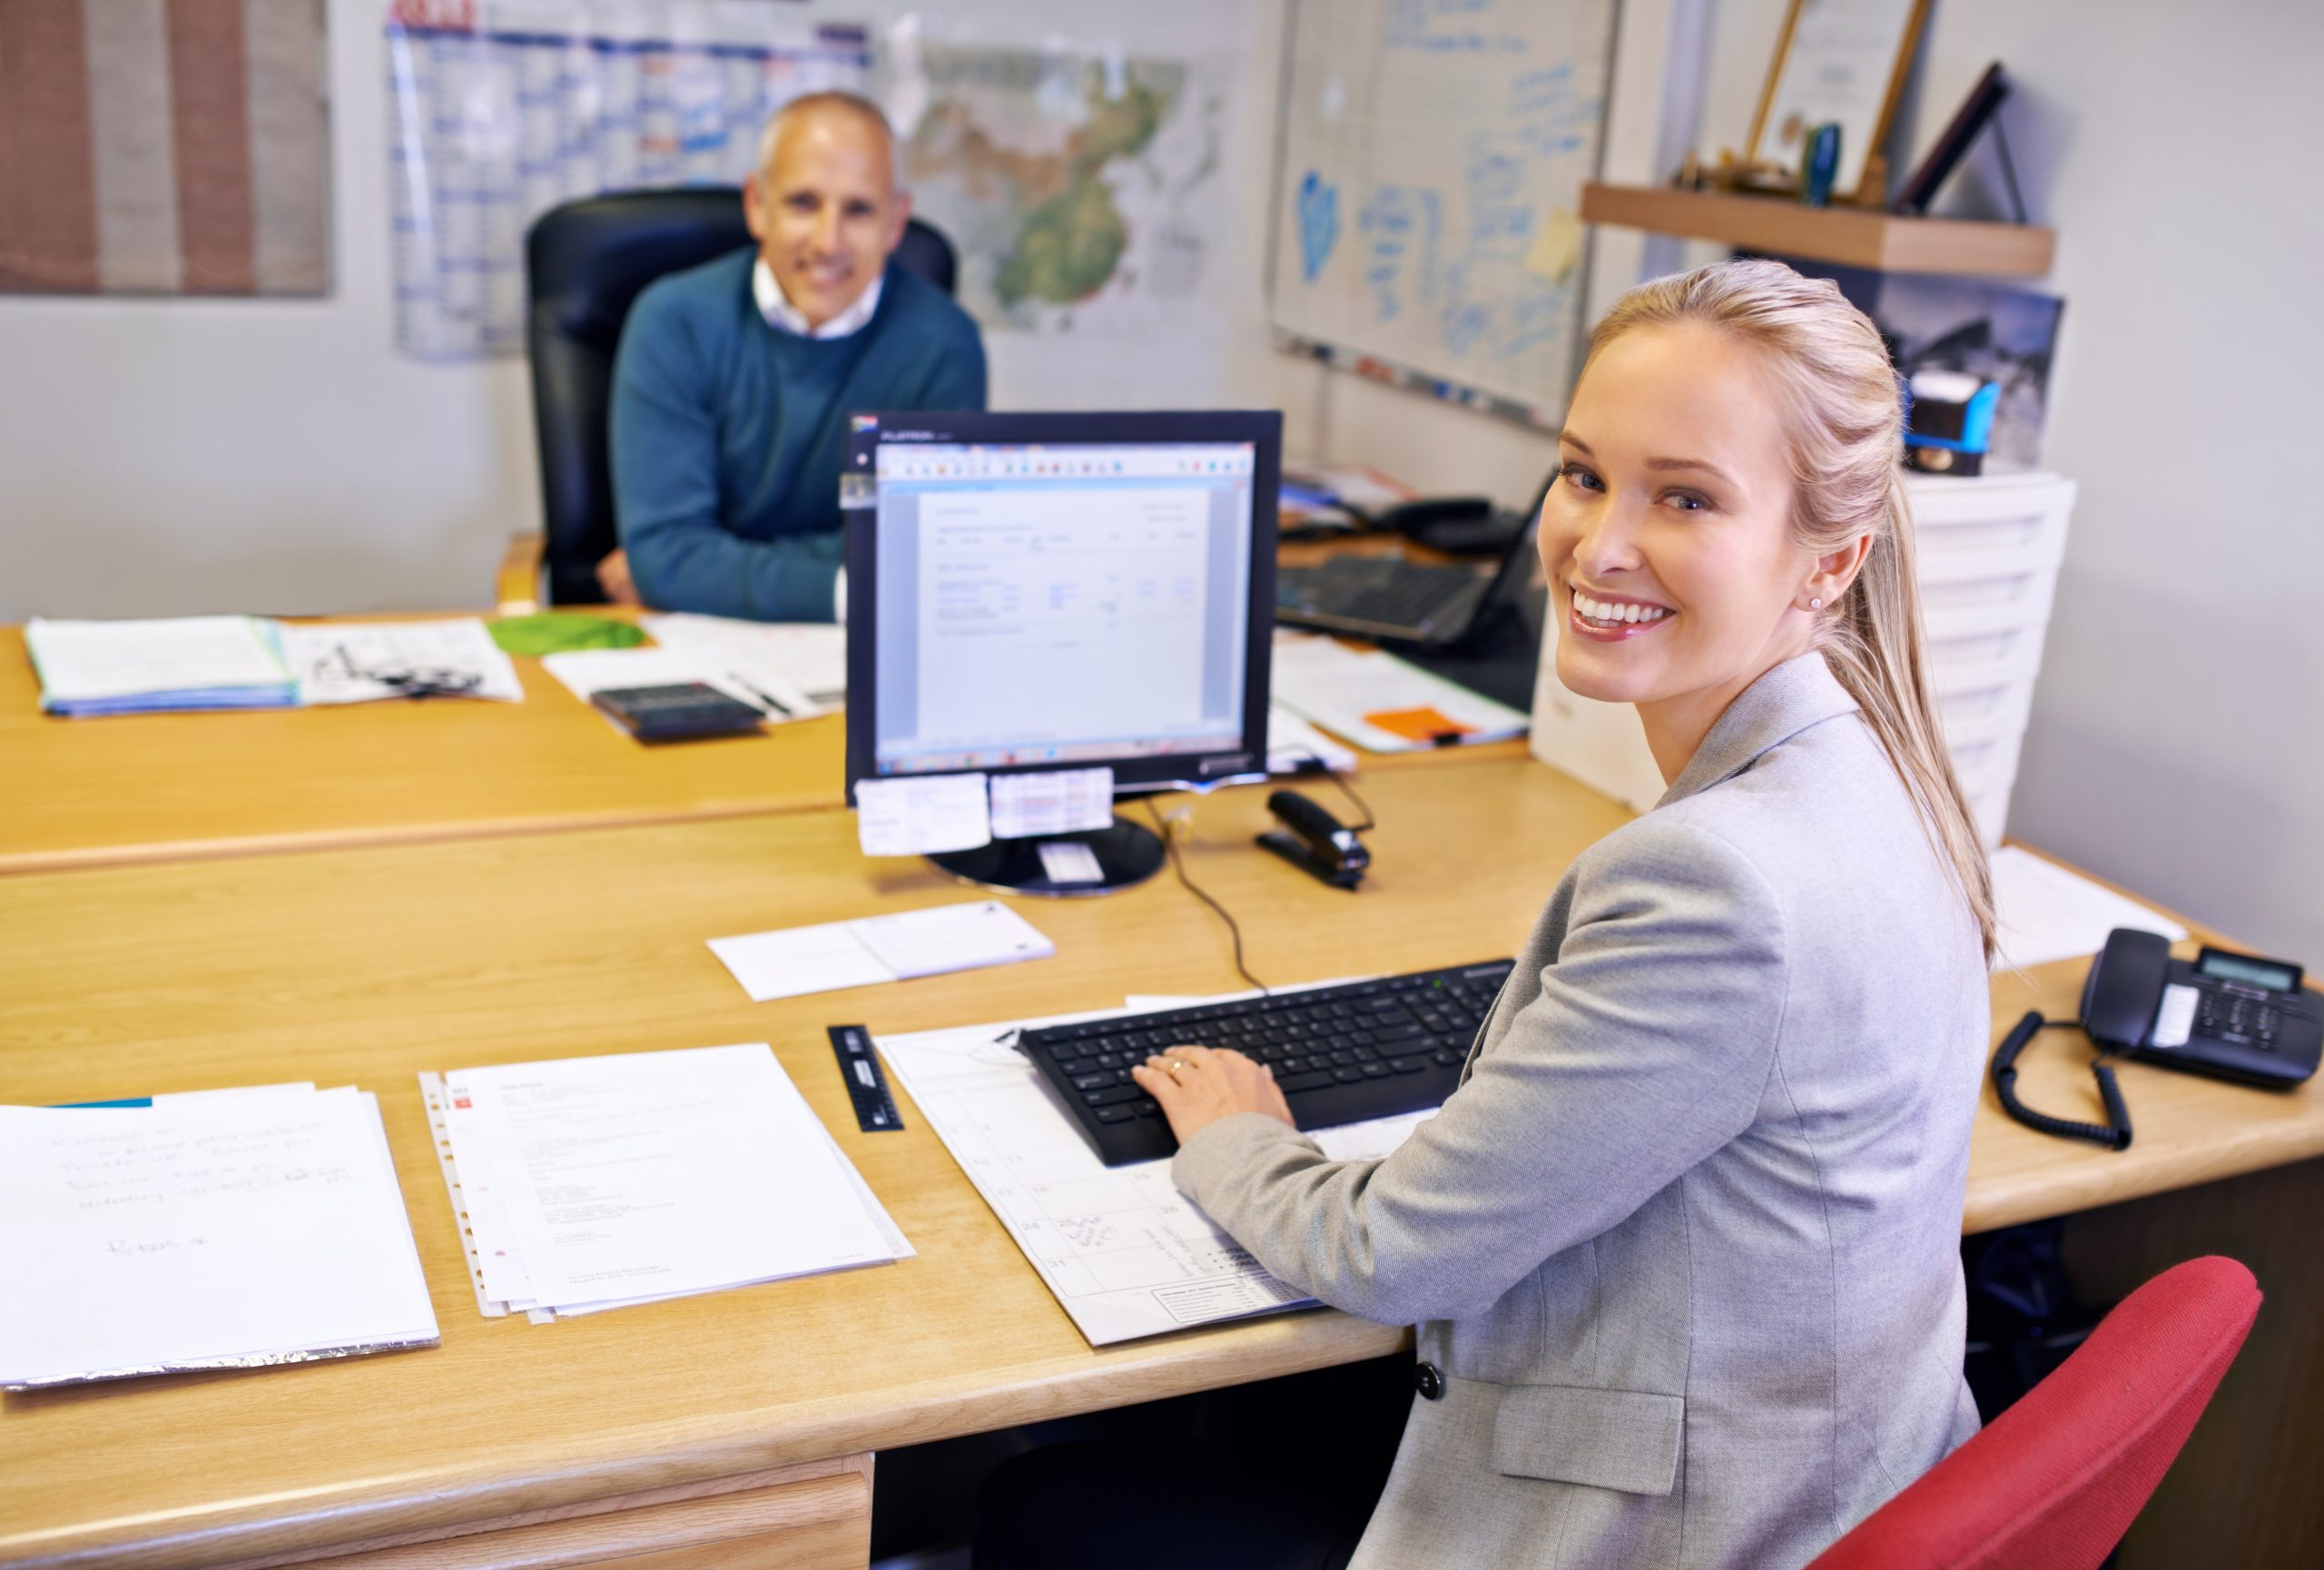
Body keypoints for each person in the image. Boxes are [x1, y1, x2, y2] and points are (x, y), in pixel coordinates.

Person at [975, 259, 1995, 1570]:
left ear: (1831, 559)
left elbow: (1392, 1252)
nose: (1600, 542)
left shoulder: (1719, 884)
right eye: (1583, 474)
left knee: (1051, 1503)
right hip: (1824, 1466)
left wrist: (1238, 1139)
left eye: (1685, 496)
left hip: (1678, 1528)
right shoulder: (1885, 768)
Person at [602, 92, 987, 619]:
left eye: (858, 210)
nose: (828, 242)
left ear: (896, 223)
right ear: (757, 205)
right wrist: (857, 584)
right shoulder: (674, 321)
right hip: (691, 647)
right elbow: (668, 554)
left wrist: (695, 569)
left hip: (858, 658)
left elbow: (920, 552)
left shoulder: (945, 344)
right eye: (803, 203)